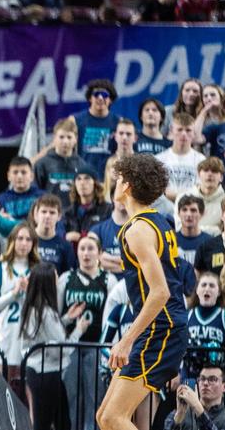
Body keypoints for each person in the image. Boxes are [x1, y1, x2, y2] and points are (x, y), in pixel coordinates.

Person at [95, 154, 189, 430]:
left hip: (163, 327)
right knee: (104, 418)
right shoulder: (156, 221)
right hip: (160, 327)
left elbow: (160, 292)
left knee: (114, 417)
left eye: (119, 178)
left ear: (127, 187)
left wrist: (126, 340)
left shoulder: (138, 230)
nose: (115, 182)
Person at [22, 262, 90, 430]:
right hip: (46, 375)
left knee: (59, 422)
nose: (58, 282)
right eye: (56, 279)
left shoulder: (33, 308)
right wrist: (79, 330)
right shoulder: (45, 312)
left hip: (40, 373)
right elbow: (61, 348)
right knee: (46, 424)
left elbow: (46, 334)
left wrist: (66, 318)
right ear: (48, 284)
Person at [58, 234, 111, 430]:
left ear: (99, 253)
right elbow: (56, 317)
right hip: (70, 347)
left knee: (95, 397)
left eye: (90, 248)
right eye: (82, 249)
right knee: (72, 397)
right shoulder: (66, 278)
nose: (86, 253)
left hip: (97, 348)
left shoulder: (108, 279)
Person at [0, 223, 39, 383]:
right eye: (20, 238)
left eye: (28, 239)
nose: (24, 243)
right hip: (3, 340)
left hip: (28, 340)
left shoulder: (37, 270)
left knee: (25, 397)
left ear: (33, 244)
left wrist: (31, 292)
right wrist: (13, 294)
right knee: (2, 392)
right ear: (12, 241)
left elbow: (44, 307)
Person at [184, 275, 225, 388]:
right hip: (190, 375)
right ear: (197, 290)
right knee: (189, 403)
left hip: (216, 379)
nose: (207, 288)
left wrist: (221, 362)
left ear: (219, 292)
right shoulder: (187, 316)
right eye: (203, 285)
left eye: (212, 286)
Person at [164, 364, 225, 430]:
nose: (205, 383)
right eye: (202, 379)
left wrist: (198, 409)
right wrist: (179, 416)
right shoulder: (179, 413)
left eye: (212, 379)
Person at [0, 156, 44, 236]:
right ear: (8, 176)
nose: (19, 176)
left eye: (24, 172)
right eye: (15, 172)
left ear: (31, 176)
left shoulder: (42, 197)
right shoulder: (0, 200)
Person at [72, 79, 121, 175]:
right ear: (90, 98)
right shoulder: (75, 120)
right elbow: (56, 145)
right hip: (84, 179)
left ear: (110, 100)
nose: (100, 98)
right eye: (96, 94)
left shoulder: (119, 122)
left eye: (105, 95)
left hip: (109, 180)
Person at [158, 113, 208, 205]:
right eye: (180, 129)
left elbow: (201, 190)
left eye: (188, 130)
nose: (184, 134)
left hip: (191, 211)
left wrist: (171, 195)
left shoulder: (201, 160)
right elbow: (158, 191)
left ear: (194, 133)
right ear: (172, 131)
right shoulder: (159, 159)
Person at [35, 118, 84, 208]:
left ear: (75, 139)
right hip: (49, 214)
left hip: (74, 217)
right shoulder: (41, 164)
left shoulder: (82, 165)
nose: (65, 141)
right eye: (61, 137)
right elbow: (35, 193)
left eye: (69, 137)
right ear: (54, 138)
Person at [176, 158, 225, 236]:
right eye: (206, 170)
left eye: (214, 171)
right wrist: (214, 229)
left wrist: (193, 228)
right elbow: (179, 227)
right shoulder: (183, 197)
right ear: (199, 174)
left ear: (221, 177)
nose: (209, 174)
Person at [30, 194, 76, 274]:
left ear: (59, 216)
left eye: (52, 212)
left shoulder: (66, 246)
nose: (47, 216)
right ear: (36, 215)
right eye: (44, 212)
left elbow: (68, 277)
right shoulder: (26, 240)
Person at [64, 169, 112, 241]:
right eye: (78, 179)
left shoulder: (108, 209)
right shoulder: (68, 212)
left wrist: (82, 237)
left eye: (87, 178)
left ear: (95, 183)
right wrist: (65, 236)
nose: (82, 183)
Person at [176, 196, 213, 265]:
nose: (189, 214)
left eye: (193, 210)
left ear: (201, 214)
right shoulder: (171, 241)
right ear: (178, 213)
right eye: (184, 210)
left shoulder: (210, 242)